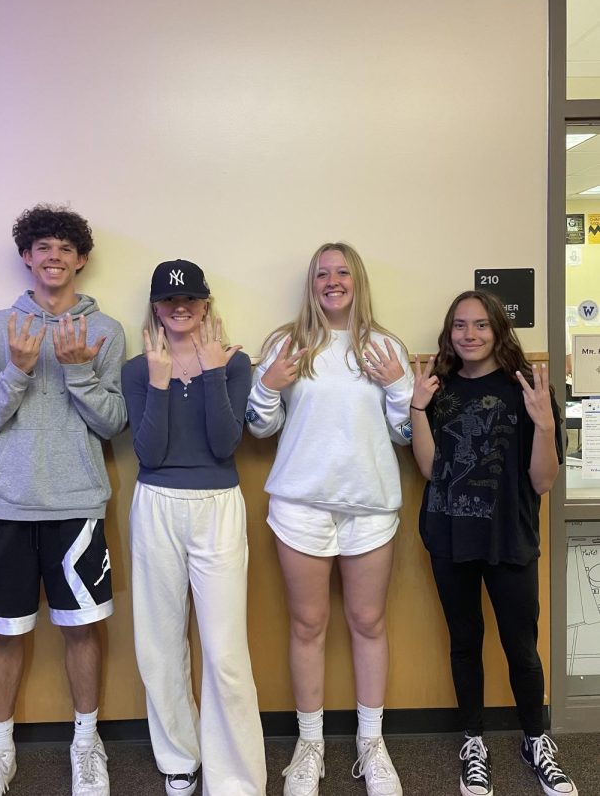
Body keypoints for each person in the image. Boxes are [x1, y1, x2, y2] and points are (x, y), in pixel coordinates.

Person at [0, 205, 127, 796]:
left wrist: (79, 374)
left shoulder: (105, 333)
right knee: (6, 631)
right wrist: (19, 370)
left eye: (65, 248)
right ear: (27, 258)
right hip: (3, 506)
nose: (53, 257)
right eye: (42, 247)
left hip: (77, 506)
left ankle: (87, 745)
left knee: (82, 629)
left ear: (80, 260)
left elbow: (112, 425)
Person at [246, 242, 413, 796]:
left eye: (342, 272)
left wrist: (397, 386)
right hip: (301, 506)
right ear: (311, 283)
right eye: (323, 274)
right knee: (307, 625)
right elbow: (260, 429)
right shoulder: (286, 343)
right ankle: (310, 744)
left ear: (357, 280)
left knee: (368, 622)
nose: (333, 281)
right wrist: (268, 385)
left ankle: (372, 743)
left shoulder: (385, 346)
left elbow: (405, 434)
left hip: (369, 506)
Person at [410, 290, 577, 796]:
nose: (470, 335)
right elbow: (428, 470)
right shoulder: (438, 387)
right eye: (460, 325)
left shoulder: (526, 386)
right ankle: (474, 741)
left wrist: (545, 424)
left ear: (498, 329)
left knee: (521, 647)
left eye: (480, 325)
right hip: (449, 535)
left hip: (510, 537)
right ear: (450, 332)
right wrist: (419, 408)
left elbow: (543, 481)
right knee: (465, 642)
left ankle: (535, 738)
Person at [121, 259, 266, 796]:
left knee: (225, 652)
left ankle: (233, 777)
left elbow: (225, 443)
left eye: (191, 300)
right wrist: (159, 383)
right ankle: (179, 758)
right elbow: (149, 453)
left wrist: (210, 372)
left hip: (218, 505)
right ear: (156, 306)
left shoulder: (233, 361)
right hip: (157, 502)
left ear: (205, 304)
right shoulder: (138, 370)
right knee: (159, 644)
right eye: (169, 300)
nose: (180, 308)